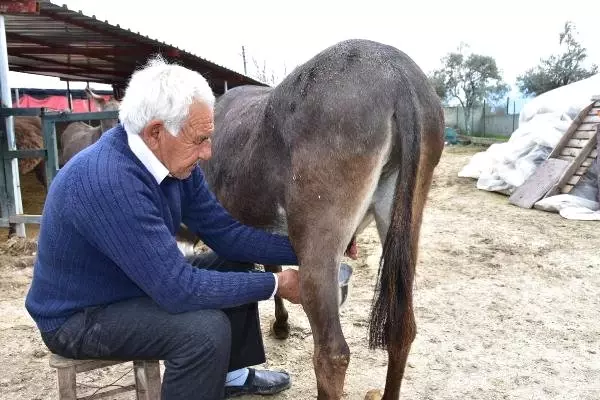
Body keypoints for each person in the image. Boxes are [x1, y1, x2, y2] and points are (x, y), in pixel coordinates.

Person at [24, 56, 301, 400]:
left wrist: (305, 249)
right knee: (203, 332)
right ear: (156, 132)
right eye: (200, 139)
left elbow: (225, 234)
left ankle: (231, 376)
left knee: (232, 263)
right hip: (79, 314)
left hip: (131, 281)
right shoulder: (110, 180)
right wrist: (277, 283)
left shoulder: (174, 163)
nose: (208, 152)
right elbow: (178, 290)